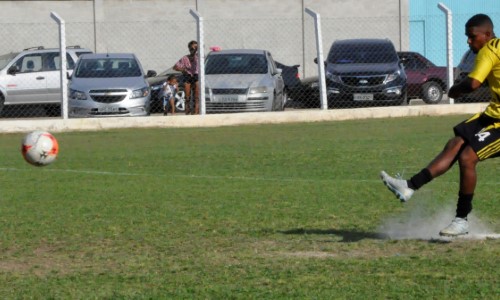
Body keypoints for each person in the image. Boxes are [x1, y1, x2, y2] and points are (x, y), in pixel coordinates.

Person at [380, 13, 500, 237]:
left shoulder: (488, 50)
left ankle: (461, 220)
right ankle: (410, 186)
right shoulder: (493, 47)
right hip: (492, 115)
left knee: (467, 157)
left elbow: (473, 83)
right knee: (455, 143)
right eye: (467, 37)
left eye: (472, 37)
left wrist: (454, 90)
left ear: (487, 34)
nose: (469, 41)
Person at [173, 40, 199, 115]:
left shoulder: (199, 57)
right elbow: (175, 67)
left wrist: (197, 49)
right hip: (188, 76)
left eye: (195, 47)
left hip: (196, 76)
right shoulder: (185, 58)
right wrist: (183, 69)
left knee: (196, 96)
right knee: (187, 97)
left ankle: (196, 112)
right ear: (189, 48)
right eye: (192, 48)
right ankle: (187, 111)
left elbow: (196, 55)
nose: (193, 49)